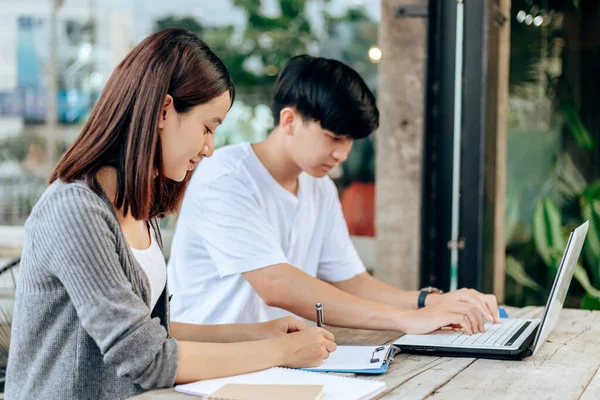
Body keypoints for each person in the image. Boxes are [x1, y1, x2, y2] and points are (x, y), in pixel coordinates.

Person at [5, 30, 335, 400]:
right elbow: (147, 359)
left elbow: (152, 332)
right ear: (163, 111)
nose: (209, 149)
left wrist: (258, 332)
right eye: (207, 127)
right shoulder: (75, 210)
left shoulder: (138, 205)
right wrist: (282, 352)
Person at [167, 54, 501, 335]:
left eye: (349, 142)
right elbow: (275, 285)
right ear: (289, 120)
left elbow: (352, 281)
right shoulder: (225, 175)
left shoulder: (319, 187)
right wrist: (408, 320)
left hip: (283, 360)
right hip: (209, 370)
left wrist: (430, 302)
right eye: (333, 137)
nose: (342, 154)